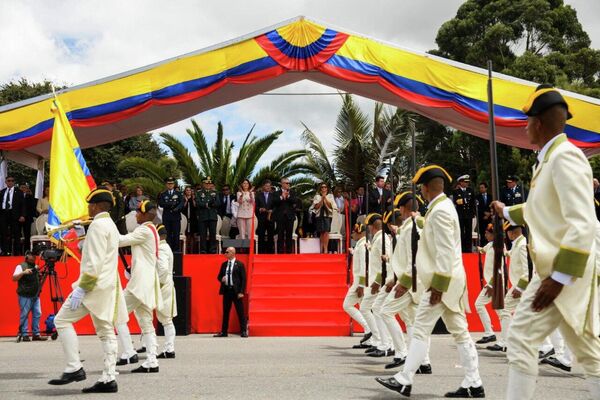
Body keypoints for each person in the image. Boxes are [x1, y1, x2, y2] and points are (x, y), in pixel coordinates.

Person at [492, 85, 600, 399]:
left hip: (566, 272)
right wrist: (507, 212)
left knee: (574, 345)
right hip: (557, 271)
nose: (525, 127)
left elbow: (583, 222)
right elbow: (541, 207)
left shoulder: (565, 157)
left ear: (538, 123)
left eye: (527, 121)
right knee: (579, 347)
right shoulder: (548, 160)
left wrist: (559, 278)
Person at [377, 165, 484, 398]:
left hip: (442, 283)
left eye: (422, 188)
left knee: (420, 330)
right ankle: (474, 383)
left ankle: (404, 379)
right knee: (460, 332)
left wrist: (438, 286)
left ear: (425, 188)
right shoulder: (440, 208)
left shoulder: (442, 211)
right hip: (447, 281)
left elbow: (445, 251)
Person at [48, 187, 128, 393]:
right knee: (106, 332)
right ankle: (109, 378)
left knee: (61, 320)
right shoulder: (109, 224)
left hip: (93, 287)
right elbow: (97, 252)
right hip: (108, 285)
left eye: (89, 205)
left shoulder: (98, 226)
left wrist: (81, 289)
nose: (88, 209)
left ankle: (74, 367)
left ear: (95, 205)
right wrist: (83, 235)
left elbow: (93, 263)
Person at [380, 194, 432, 372]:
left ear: (403, 208)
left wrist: (403, 283)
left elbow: (413, 258)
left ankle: (402, 353)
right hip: (413, 281)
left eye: (400, 208)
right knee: (413, 321)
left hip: (410, 282)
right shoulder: (412, 226)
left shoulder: (412, 228)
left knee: (385, 311)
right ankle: (423, 362)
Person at [115, 200, 163, 373]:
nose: (135, 215)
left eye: (137, 212)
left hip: (140, 283)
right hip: (146, 281)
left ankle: (128, 352)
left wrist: (100, 227)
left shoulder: (143, 230)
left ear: (145, 214)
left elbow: (120, 241)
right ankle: (151, 361)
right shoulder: (152, 230)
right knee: (145, 321)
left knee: (116, 313)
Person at [486, 224, 528, 353]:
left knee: (505, 311)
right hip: (518, 284)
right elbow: (510, 254)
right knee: (527, 314)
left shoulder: (521, 245)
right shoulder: (518, 243)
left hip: (520, 285)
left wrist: (520, 287)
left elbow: (527, 270)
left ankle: (506, 342)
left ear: (512, 233)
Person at [361, 213, 394, 358]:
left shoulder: (382, 239)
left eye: (368, 226)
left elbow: (387, 261)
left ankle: (384, 342)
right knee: (375, 309)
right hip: (376, 280)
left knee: (371, 309)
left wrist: (378, 281)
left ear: (372, 226)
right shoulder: (377, 239)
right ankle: (381, 341)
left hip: (379, 281)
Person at [343, 223, 372, 348]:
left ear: (360, 232)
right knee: (363, 308)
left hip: (360, 282)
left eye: (354, 232)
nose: (353, 234)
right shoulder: (360, 245)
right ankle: (369, 338)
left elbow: (364, 266)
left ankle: (369, 329)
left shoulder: (362, 246)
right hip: (361, 281)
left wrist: (360, 285)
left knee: (347, 305)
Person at [473, 224, 499, 345]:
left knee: (479, 304)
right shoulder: (490, 245)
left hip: (494, 283)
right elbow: (482, 250)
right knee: (501, 311)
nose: (485, 235)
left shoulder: (497, 247)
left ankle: (490, 333)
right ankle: (502, 336)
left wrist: (491, 284)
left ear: (493, 234)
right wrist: (476, 247)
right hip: (493, 283)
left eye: (487, 233)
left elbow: (499, 268)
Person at [12, 252, 46, 341]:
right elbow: (14, 278)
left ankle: (36, 334)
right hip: (25, 295)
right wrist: (23, 272)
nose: (34, 257)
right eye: (32, 255)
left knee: (38, 313)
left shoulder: (36, 267)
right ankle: (24, 334)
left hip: (35, 294)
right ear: (27, 256)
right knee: (24, 314)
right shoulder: (21, 266)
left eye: (35, 255)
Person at [155, 224, 177, 358]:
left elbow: (162, 270)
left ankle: (170, 349)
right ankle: (168, 348)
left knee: (166, 319)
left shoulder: (162, 248)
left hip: (164, 285)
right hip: (167, 283)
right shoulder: (165, 246)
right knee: (165, 318)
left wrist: (159, 284)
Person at [214, 247, 247, 338]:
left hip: (236, 291)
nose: (225, 253)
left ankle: (243, 331)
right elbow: (219, 276)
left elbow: (243, 279)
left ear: (232, 253)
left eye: (227, 252)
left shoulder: (239, 264)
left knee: (240, 312)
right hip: (227, 290)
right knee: (226, 311)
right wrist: (222, 279)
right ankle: (224, 331)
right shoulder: (224, 264)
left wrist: (241, 292)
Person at [0, 176, 26, 255]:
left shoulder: (19, 192)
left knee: (16, 233)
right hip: (3, 214)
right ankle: (4, 251)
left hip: (14, 214)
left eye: (12, 181)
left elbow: (23, 205)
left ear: (14, 182)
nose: (10, 182)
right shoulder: (2, 191)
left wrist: (23, 215)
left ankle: (16, 252)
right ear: (6, 182)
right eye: (9, 181)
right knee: (3, 233)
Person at [158, 177, 184, 252]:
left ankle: (176, 250)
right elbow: (161, 204)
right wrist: (172, 204)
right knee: (167, 234)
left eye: (171, 184)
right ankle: (168, 250)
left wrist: (177, 208)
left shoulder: (178, 194)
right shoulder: (163, 194)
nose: (170, 185)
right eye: (169, 184)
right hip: (167, 217)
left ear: (174, 184)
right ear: (166, 184)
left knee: (176, 234)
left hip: (176, 216)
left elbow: (181, 203)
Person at [311, 183, 338, 254]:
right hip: (319, 215)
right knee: (321, 232)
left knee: (326, 232)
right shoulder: (317, 196)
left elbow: (331, 205)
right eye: (322, 187)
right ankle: (321, 248)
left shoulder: (330, 196)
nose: (324, 188)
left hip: (327, 215)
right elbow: (316, 206)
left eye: (325, 187)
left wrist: (325, 198)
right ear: (320, 189)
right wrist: (321, 199)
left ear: (327, 188)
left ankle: (325, 249)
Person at [273, 177, 297, 254]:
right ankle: (280, 252)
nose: (288, 184)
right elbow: (274, 202)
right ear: (282, 184)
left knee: (289, 235)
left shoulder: (292, 192)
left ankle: (289, 252)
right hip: (280, 217)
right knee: (280, 235)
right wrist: (281, 197)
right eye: (286, 183)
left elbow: (295, 201)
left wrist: (288, 196)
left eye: (289, 183)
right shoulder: (276, 193)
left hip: (290, 217)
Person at [453, 174, 475, 253]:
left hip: (468, 214)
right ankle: (462, 248)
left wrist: (473, 212)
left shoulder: (470, 191)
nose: (466, 184)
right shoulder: (456, 191)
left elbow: (473, 202)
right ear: (460, 182)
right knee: (461, 232)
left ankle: (468, 249)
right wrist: (465, 200)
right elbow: (457, 201)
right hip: (461, 214)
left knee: (469, 232)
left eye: (467, 182)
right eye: (465, 182)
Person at [196, 177, 219, 254]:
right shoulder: (199, 193)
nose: (208, 185)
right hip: (203, 216)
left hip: (212, 216)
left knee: (213, 233)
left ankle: (213, 249)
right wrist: (207, 204)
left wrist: (212, 203)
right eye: (206, 183)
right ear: (203, 184)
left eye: (209, 183)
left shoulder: (215, 193)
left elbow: (218, 203)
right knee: (203, 234)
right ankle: (203, 250)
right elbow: (198, 203)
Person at [255, 180, 275, 253]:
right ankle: (261, 251)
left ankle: (270, 251)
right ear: (263, 186)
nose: (268, 187)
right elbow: (255, 207)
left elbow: (276, 206)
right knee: (261, 235)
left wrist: (272, 210)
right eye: (267, 186)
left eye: (269, 186)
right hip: (261, 218)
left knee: (270, 235)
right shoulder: (258, 196)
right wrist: (260, 209)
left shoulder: (273, 195)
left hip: (271, 218)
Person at [20, 184, 36, 253]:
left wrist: (31, 195)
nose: (24, 189)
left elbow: (33, 207)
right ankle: (18, 251)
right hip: (17, 218)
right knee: (17, 235)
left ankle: (27, 251)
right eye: (22, 187)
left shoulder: (30, 197)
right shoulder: (16, 196)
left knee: (27, 235)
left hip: (27, 219)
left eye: (25, 188)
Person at [475, 182, 491, 246]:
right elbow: (477, 207)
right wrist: (484, 213)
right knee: (482, 232)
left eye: (482, 187)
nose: (481, 189)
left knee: (489, 231)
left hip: (489, 218)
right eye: (480, 188)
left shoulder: (490, 196)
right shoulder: (477, 197)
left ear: (486, 188)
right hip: (481, 217)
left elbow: (491, 205)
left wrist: (489, 214)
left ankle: (489, 244)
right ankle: (482, 245)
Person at [182, 186, 197, 254]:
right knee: (186, 235)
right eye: (187, 190)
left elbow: (195, 206)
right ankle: (186, 251)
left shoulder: (194, 199)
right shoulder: (183, 199)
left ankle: (192, 251)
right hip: (185, 219)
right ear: (185, 191)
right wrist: (186, 201)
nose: (188, 191)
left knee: (192, 235)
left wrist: (193, 199)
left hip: (193, 219)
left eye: (189, 190)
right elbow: (182, 208)